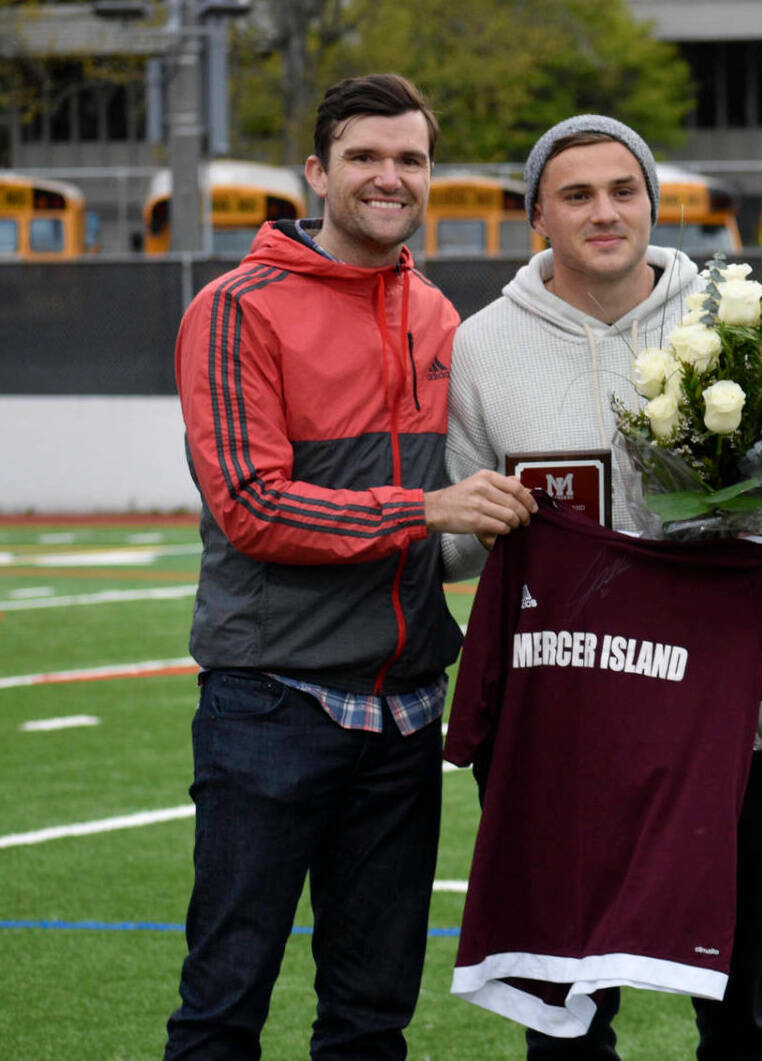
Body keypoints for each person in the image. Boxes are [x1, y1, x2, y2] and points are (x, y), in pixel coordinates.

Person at [163, 73, 535, 1060]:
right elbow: (252, 505)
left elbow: (473, 504)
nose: (389, 176)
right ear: (316, 171)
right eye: (364, 157)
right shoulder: (235, 308)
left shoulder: (438, 315)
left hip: (406, 711)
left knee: (372, 1018)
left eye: (409, 158)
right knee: (223, 1003)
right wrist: (425, 506)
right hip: (272, 703)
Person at [444, 114, 762, 1061]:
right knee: (561, 1019)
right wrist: (464, 519)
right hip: (555, 729)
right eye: (577, 195)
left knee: (739, 1006)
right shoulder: (481, 346)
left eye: (623, 190)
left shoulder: (735, 323)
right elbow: (460, 545)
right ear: (537, 220)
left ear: (652, 201)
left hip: (721, 725)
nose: (605, 212)